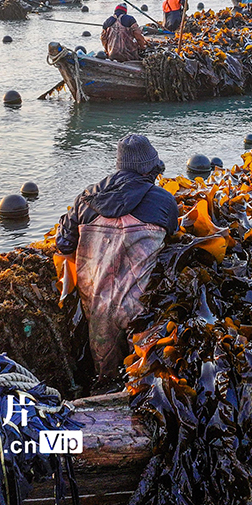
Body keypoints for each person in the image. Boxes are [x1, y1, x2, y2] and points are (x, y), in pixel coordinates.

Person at [55, 134, 178, 385]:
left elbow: (63, 244)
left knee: (104, 370)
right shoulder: (163, 200)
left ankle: (99, 385)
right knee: (139, 372)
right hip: (139, 307)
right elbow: (173, 236)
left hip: (95, 306)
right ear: (150, 170)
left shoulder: (86, 198)